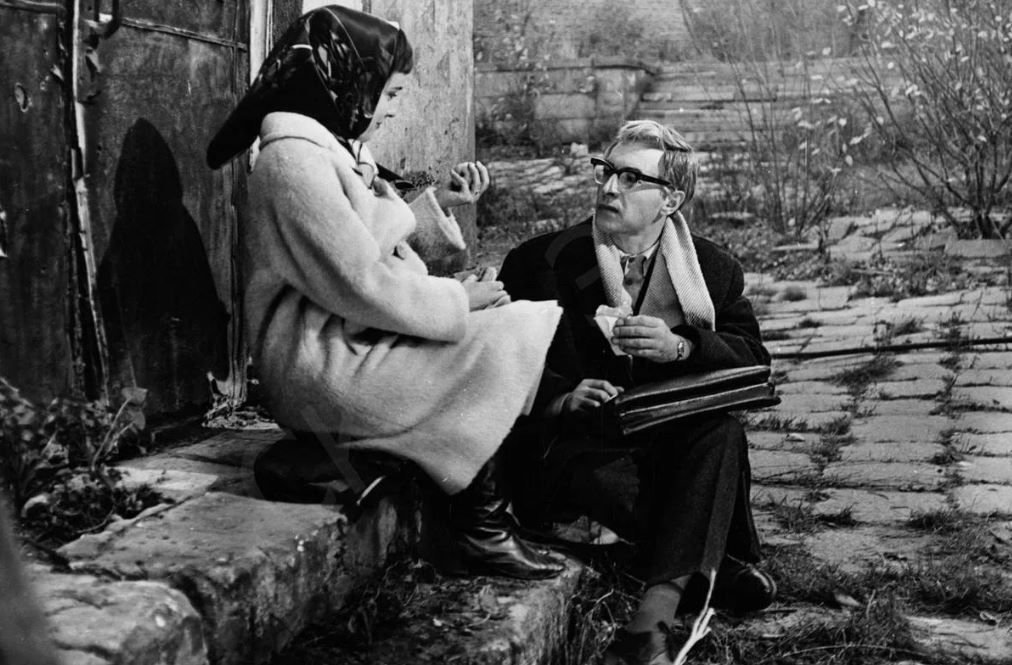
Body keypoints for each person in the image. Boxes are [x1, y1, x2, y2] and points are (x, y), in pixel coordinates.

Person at [205, 6, 563, 580]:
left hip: (346, 336)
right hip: (316, 359)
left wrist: (441, 221)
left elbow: (368, 245)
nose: (394, 107)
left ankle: (441, 493)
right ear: (345, 82)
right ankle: (480, 530)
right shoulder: (293, 162)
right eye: (390, 93)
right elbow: (360, 282)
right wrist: (456, 302)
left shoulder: (339, 150)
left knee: (507, 325)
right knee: (501, 336)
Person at [498, 120, 776, 664]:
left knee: (720, 434)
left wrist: (682, 347)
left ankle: (649, 623)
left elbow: (753, 358)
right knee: (610, 480)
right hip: (580, 443)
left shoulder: (711, 270)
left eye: (630, 179)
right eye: (606, 171)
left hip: (666, 435)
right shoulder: (542, 261)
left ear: (669, 200)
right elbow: (498, 356)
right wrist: (560, 397)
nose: (609, 188)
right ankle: (707, 565)